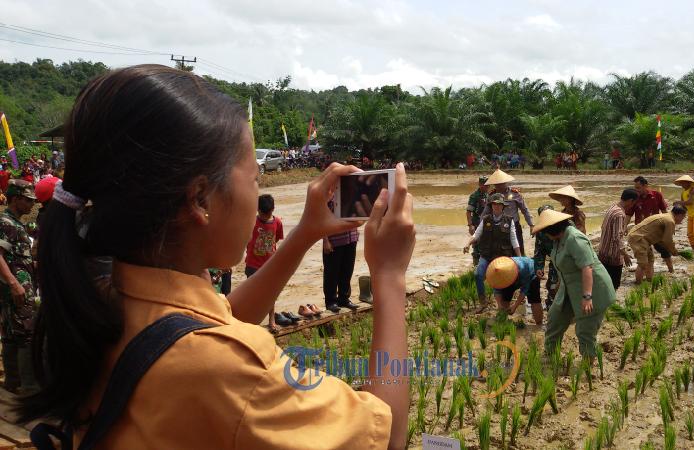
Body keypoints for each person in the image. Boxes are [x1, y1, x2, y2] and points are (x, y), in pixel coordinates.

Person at [19, 65, 415, 449]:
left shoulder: (109, 300)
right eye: (254, 178)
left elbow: (221, 317)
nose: (257, 189)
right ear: (200, 199)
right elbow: (389, 434)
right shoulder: (229, 372)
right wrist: (389, 274)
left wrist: (304, 234)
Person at [533, 210, 615, 359]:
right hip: (569, 289)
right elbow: (562, 265)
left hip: (593, 290)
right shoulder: (558, 241)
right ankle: (551, 355)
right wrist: (559, 284)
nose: (544, 234)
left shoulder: (575, 239)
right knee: (555, 318)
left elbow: (587, 267)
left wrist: (587, 296)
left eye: (545, 231)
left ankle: (588, 364)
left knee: (585, 330)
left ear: (552, 229)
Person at [0, 180, 38, 394]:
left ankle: (12, 382)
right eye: (28, 200)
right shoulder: (6, 222)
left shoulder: (14, 222)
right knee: (26, 334)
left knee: (11, 334)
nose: (32, 205)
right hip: (17, 289)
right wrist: (15, 284)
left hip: (15, 288)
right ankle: (29, 387)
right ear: (16, 199)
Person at [464, 193, 522, 312]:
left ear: (503, 206)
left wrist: (520, 257)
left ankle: (501, 305)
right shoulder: (486, 220)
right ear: (491, 206)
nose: (497, 206)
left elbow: (514, 239)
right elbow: (476, 235)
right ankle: (483, 302)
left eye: (499, 204)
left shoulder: (509, 221)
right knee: (478, 275)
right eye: (494, 204)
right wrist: (468, 243)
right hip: (487, 255)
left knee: (498, 282)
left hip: (501, 258)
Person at [245, 194, 284, 331]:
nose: (265, 216)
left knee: (271, 294)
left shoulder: (277, 222)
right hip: (252, 264)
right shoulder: (251, 222)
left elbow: (276, 238)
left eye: (268, 213)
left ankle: (272, 320)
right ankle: (252, 322)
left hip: (270, 264)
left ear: (273, 209)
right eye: (262, 213)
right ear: (257, 210)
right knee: (252, 294)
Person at [627, 206, 687, 284]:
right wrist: (673, 251)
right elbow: (667, 240)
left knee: (650, 260)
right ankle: (638, 285)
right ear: (679, 215)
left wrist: (671, 250)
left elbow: (662, 241)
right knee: (642, 263)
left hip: (643, 238)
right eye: (683, 217)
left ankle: (649, 281)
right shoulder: (670, 221)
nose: (683, 219)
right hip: (639, 238)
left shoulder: (666, 217)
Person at [482, 169, 534, 255]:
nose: (499, 186)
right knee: (500, 251)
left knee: (518, 250)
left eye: (501, 183)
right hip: (498, 227)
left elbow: (525, 210)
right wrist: (481, 227)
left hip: (514, 225)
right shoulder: (491, 196)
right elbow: (485, 212)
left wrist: (531, 225)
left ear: (506, 182)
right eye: (496, 184)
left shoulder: (515, 194)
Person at [629, 176, 673, 273]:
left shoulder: (657, 195)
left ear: (645, 186)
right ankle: (646, 272)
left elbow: (665, 211)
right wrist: (623, 227)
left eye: (638, 188)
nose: (636, 190)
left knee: (664, 249)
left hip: (655, 229)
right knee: (644, 253)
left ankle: (671, 270)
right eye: (635, 188)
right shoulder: (635, 198)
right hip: (641, 232)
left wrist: (668, 225)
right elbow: (629, 214)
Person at [322, 205, 361, 313]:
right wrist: (325, 240)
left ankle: (344, 298)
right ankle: (331, 302)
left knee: (347, 270)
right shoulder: (328, 195)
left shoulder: (352, 191)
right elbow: (321, 217)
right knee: (332, 272)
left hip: (351, 237)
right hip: (334, 239)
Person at [598, 189, 638, 290]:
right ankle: (609, 304)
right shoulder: (619, 214)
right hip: (612, 256)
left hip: (603, 251)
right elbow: (617, 238)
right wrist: (625, 255)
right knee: (612, 285)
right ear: (630, 200)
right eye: (634, 203)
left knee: (603, 283)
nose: (633, 205)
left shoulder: (613, 207)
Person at [486, 256, 541, 324]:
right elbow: (497, 288)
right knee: (504, 300)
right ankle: (503, 323)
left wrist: (515, 306)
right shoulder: (494, 272)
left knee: (534, 300)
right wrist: (499, 305)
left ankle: (539, 325)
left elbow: (524, 290)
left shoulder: (525, 269)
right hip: (507, 275)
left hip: (532, 274)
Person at [532, 205, 558, 311]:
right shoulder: (541, 232)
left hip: (569, 262)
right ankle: (551, 309)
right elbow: (539, 251)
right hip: (555, 262)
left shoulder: (565, 225)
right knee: (552, 285)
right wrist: (539, 268)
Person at [466, 176, 489, 265]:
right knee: (476, 244)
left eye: (488, 185)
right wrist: (470, 225)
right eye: (485, 185)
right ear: (480, 184)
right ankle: (475, 265)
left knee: (486, 244)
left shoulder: (488, 194)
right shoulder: (474, 196)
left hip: (486, 222)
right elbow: (468, 212)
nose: (487, 186)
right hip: (476, 222)